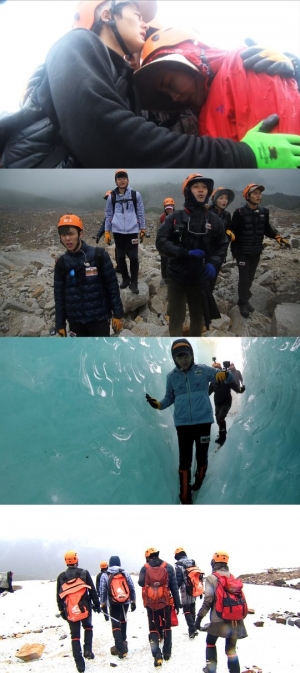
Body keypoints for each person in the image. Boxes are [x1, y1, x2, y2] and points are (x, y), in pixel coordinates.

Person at [2, 2, 300, 169]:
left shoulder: (134, 98)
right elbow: (108, 136)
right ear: (107, 14)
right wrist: (242, 156)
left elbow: (165, 142)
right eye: (137, 14)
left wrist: (291, 73)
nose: (144, 24)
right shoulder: (76, 44)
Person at [134, 26, 300, 162]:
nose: (174, 98)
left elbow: (284, 148)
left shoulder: (241, 64)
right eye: (166, 94)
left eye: (170, 84)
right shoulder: (200, 113)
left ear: (188, 57)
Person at [145, 339, 234, 504]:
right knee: (184, 460)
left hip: (203, 423)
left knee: (201, 456)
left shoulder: (203, 370)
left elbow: (227, 379)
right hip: (183, 425)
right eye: (179, 357)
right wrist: (159, 405)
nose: (183, 360)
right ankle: (185, 496)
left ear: (191, 355)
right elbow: (169, 397)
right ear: (174, 359)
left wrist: (225, 375)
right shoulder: (171, 377)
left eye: (186, 356)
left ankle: (199, 481)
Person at [156, 174, 228, 336]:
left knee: (199, 317)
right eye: (196, 187)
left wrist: (214, 262)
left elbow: (222, 245)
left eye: (204, 187)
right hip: (176, 278)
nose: (201, 190)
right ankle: (176, 342)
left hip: (200, 279)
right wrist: (185, 253)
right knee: (176, 317)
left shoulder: (215, 220)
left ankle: (195, 344)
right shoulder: (175, 218)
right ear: (188, 191)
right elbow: (161, 242)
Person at [54, 213, 124, 336]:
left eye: (71, 233)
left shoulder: (99, 256)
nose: (67, 239)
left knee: (101, 354)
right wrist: (60, 324)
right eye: (63, 235)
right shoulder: (61, 263)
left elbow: (112, 287)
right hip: (76, 322)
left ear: (80, 234)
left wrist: (117, 314)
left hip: (99, 319)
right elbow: (59, 297)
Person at [230, 183, 290, 317]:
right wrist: (231, 248)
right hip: (242, 252)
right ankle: (243, 303)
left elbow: (267, 229)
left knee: (250, 278)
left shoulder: (264, 212)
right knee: (244, 278)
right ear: (247, 196)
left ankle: (242, 299)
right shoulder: (239, 213)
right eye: (255, 193)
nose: (258, 196)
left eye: (259, 193)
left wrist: (277, 237)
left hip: (256, 251)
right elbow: (231, 231)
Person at [195, 551, 247, 673]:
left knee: (210, 642)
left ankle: (210, 669)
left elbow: (208, 600)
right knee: (231, 649)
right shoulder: (232, 577)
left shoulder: (211, 578)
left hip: (218, 618)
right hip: (235, 619)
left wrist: (199, 618)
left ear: (213, 563)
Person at [56, 550, 100, 673]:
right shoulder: (84, 573)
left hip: (70, 611)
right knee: (88, 627)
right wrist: (96, 605)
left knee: (75, 636)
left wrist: (62, 611)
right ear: (77, 560)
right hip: (85, 607)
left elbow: (59, 596)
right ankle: (88, 650)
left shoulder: (61, 577)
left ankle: (80, 665)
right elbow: (92, 591)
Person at [104, 169, 146, 294]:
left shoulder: (135, 195)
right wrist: (107, 231)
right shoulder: (111, 196)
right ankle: (125, 279)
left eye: (124, 178)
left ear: (128, 180)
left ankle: (134, 282)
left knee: (133, 257)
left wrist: (142, 228)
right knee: (120, 257)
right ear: (116, 181)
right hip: (118, 231)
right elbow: (108, 214)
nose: (122, 180)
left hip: (132, 230)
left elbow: (140, 212)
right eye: (119, 178)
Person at [138, 547, 180, 667]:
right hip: (165, 602)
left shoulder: (145, 568)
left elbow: (141, 583)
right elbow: (174, 586)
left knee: (153, 628)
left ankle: (157, 655)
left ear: (148, 556)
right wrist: (177, 603)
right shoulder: (168, 566)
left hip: (151, 604)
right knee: (167, 626)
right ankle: (167, 652)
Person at [99, 554, 136, 659]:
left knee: (115, 624)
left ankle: (120, 648)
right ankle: (124, 643)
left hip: (113, 603)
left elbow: (103, 591)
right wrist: (133, 601)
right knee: (123, 621)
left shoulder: (105, 574)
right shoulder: (124, 573)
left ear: (109, 564)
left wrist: (103, 604)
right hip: (125, 601)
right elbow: (132, 587)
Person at [209, 362, 245, 446]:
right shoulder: (213, 381)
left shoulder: (227, 378)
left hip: (226, 401)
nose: (216, 370)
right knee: (218, 419)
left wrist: (240, 390)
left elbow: (235, 387)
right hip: (217, 402)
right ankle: (222, 433)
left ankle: (223, 437)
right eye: (214, 369)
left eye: (217, 368)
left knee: (221, 417)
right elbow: (208, 392)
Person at [174, 547, 200, 639]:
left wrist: (174, 591)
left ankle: (192, 629)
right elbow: (197, 575)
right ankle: (192, 630)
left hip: (185, 589)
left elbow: (178, 579)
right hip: (194, 587)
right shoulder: (193, 561)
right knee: (192, 606)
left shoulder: (178, 564)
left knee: (186, 610)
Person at [158, 197, 175, 287]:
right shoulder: (162, 217)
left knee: (173, 260)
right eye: (167, 207)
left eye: (170, 207)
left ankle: (172, 277)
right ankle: (164, 277)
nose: (169, 209)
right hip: (164, 241)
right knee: (164, 259)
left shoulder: (177, 216)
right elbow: (159, 230)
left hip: (174, 241)